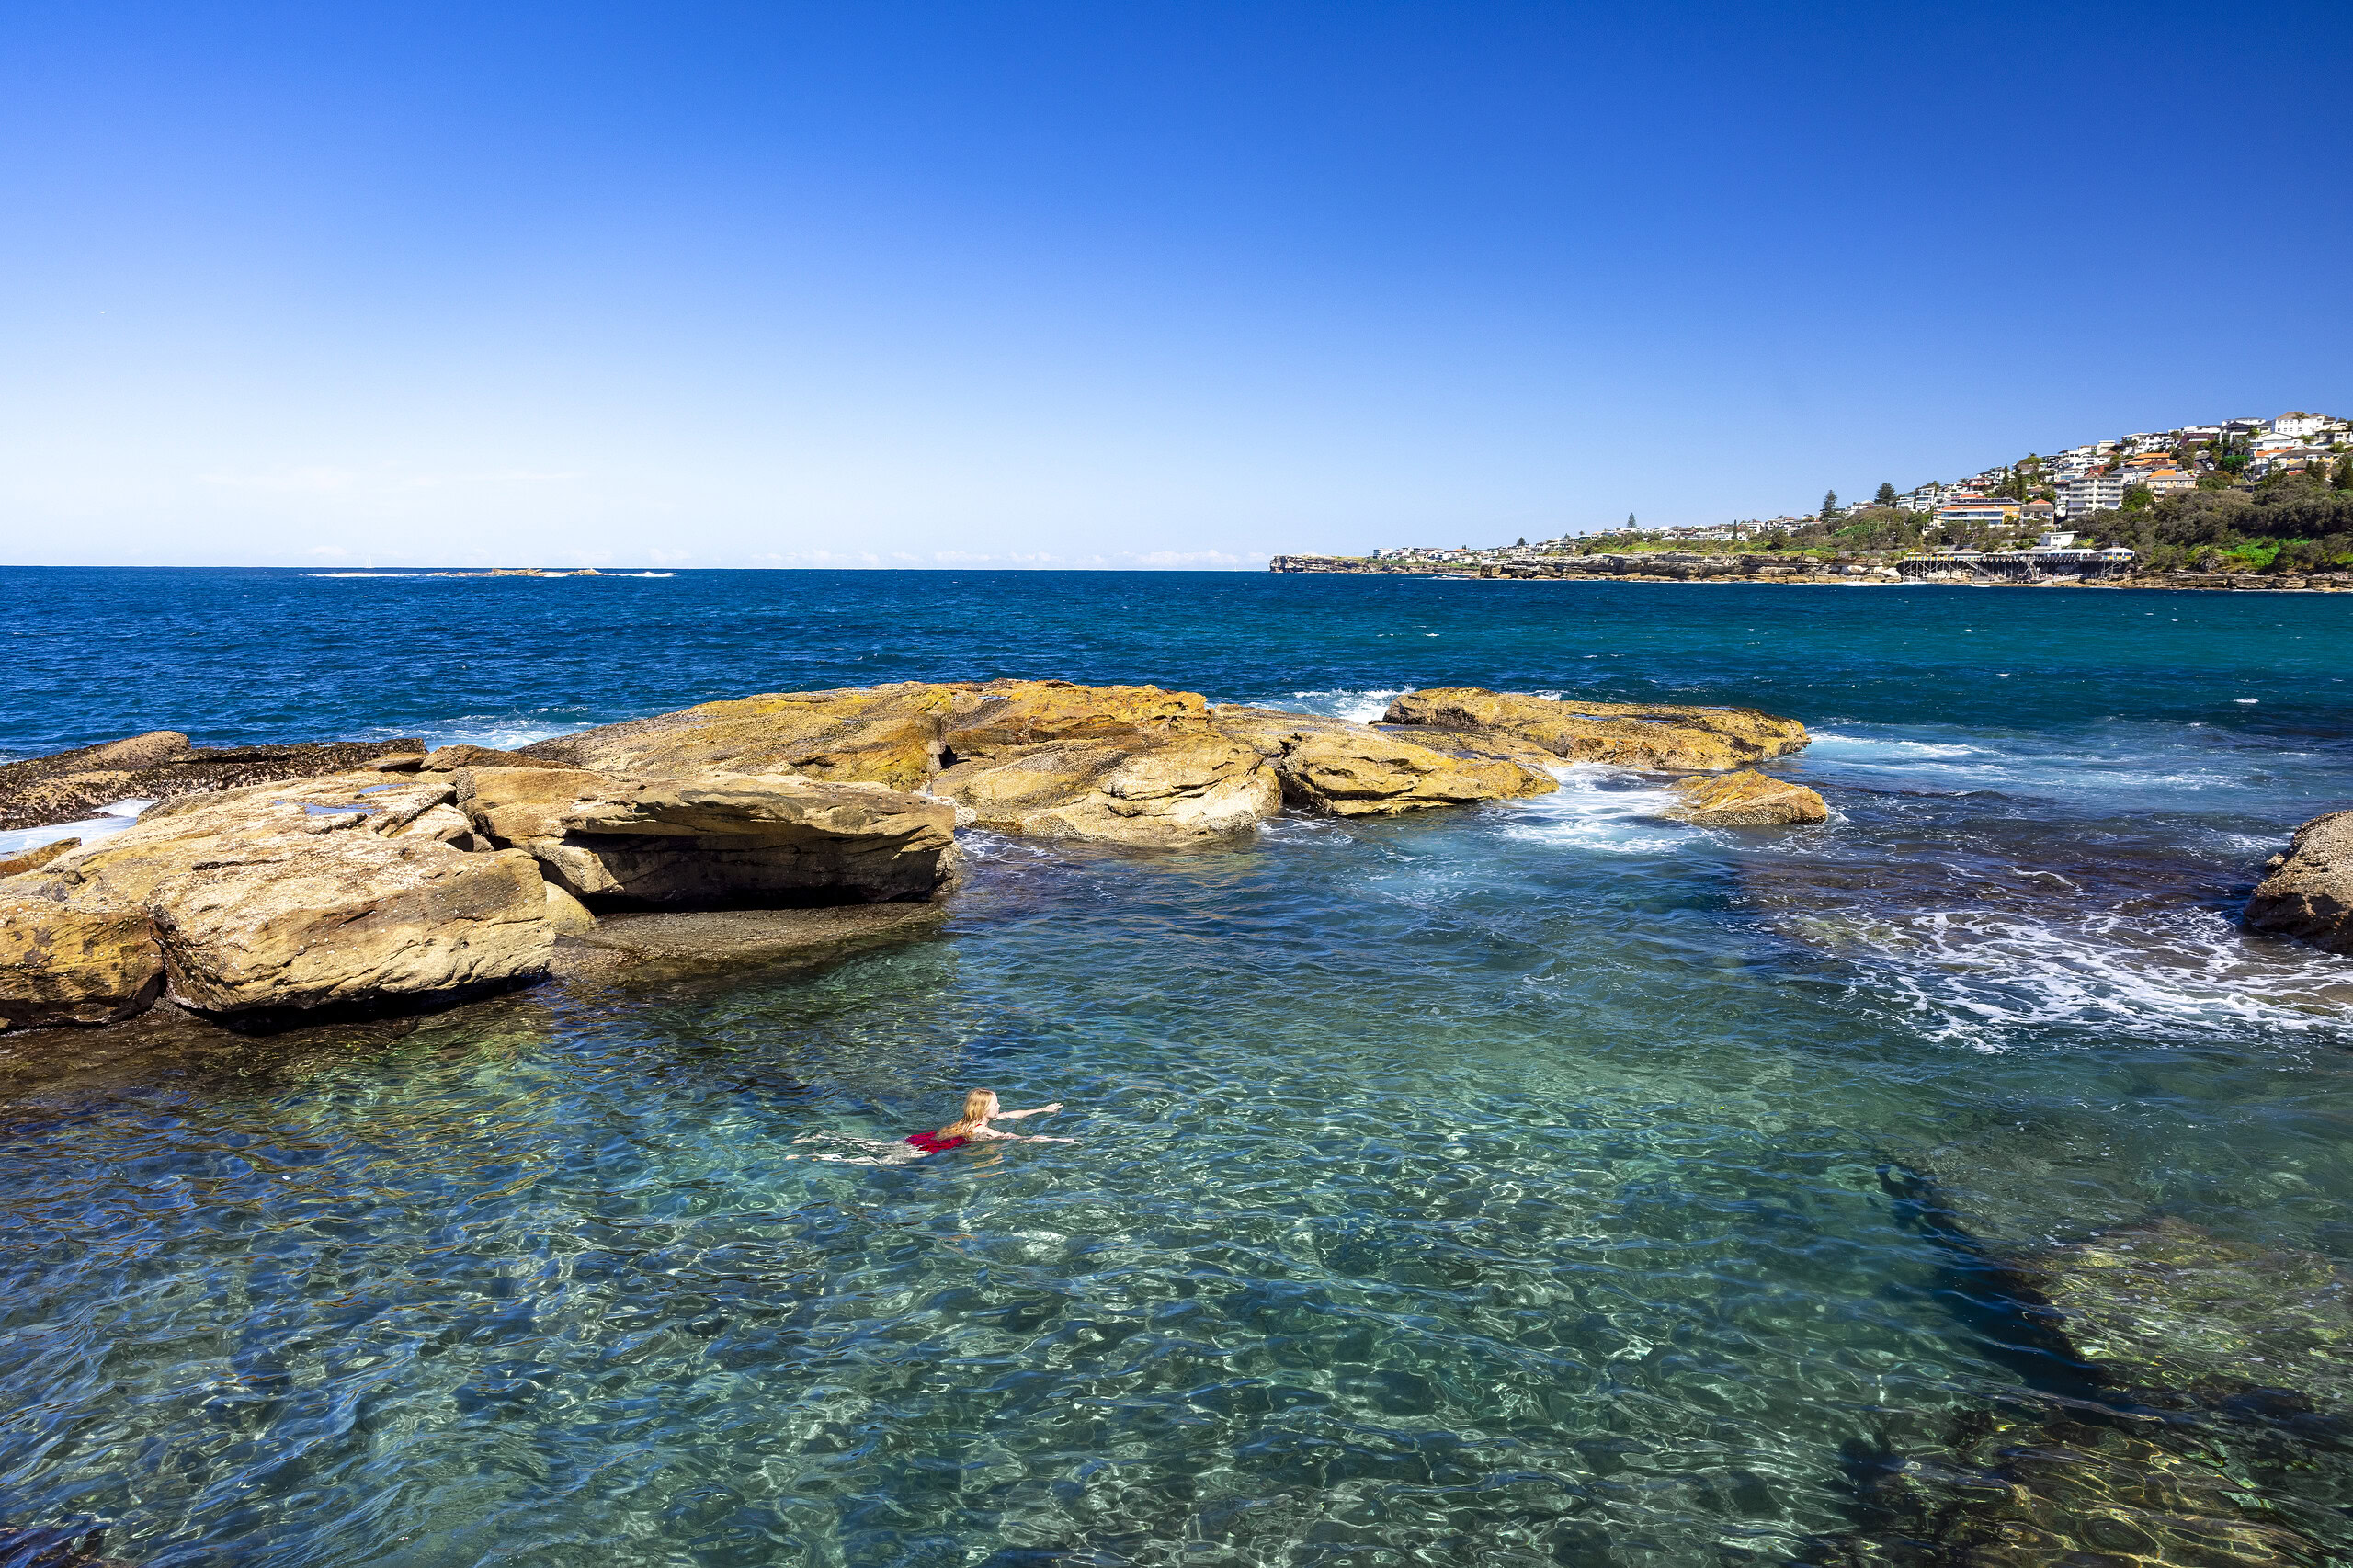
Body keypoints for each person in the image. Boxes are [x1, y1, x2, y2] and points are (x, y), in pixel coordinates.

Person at [904, 1089, 1072, 1153]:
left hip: (923, 1138)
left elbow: (1014, 1114)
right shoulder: (984, 1131)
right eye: (995, 1104)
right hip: (928, 1148)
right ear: (984, 1110)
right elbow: (1018, 1139)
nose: (999, 1106)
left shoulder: (969, 1120)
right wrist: (1058, 1139)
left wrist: (1042, 1109)